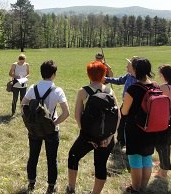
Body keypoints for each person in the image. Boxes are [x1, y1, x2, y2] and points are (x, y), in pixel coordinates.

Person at [66, 61, 120, 194]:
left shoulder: (83, 92)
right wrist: (110, 136)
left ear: (88, 75)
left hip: (87, 136)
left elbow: (77, 116)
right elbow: (118, 116)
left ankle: (71, 188)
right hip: (106, 137)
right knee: (101, 165)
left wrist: (86, 136)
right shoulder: (110, 91)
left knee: (73, 156)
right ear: (104, 74)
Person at [21, 60, 70, 194]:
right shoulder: (57, 90)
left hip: (34, 129)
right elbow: (66, 112)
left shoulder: (33, 88)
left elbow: (23, 105)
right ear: (54, 74)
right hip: (51, 130)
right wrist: (54, 123)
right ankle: (51, 186)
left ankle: (31, 182)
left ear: (41, 73)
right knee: (51, 159)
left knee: (33, 156)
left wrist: (29, 120)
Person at [121, 58, 158, 193]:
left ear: (135, 70)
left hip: (135, 129)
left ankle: (135, 188)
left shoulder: (134, 88)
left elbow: (124, 111)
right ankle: (143, 187)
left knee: (135, 158)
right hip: (151, 128)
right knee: (147, 158)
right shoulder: (155, 86)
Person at [105, 56, 138, 148]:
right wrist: (106, 79)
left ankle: (129, 143)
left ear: (134, 67)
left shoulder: (139, 79)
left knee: (130, 125)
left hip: (135, 106)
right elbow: (119, 81)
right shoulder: (128, 75)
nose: (126, 67)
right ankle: (121, 141)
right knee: (120, 121)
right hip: (125, 104)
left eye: (128, 65)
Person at [154, 64, 171, 179]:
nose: (159, 75)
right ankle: (163, 168)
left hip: (165, 121)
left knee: (162, 146)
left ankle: (163, 173)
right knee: (166, 144)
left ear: (163, 75)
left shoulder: (165, 87)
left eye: (160, 74)